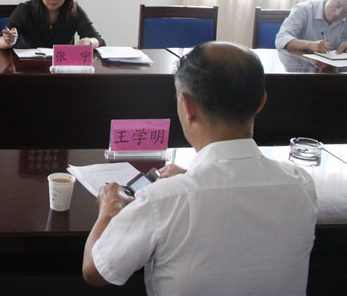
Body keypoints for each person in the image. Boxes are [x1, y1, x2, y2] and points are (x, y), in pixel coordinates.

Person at [82, 42, 317, 294]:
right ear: (261, 102)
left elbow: (95, 271)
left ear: (187, 105)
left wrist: (109, 209)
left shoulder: (161, 200)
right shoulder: (300, 184)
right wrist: (190, 179)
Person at [275, 0, 347, 53]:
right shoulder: (303, 10)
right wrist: (309, 44)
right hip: (299, 59)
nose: (338, 13)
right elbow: (281, 38)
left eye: (345, 11)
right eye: (337, 5)